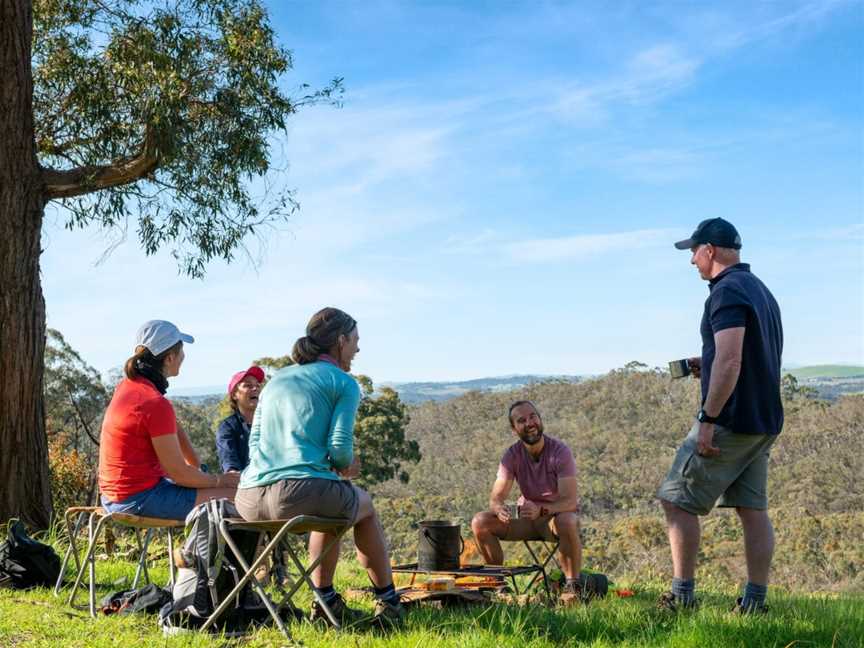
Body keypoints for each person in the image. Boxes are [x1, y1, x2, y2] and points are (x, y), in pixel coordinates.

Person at [235, 307, 404, 627]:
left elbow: (254, 444)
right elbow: (340, 449)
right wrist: (345, 466)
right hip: (299, 494)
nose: (357, 348)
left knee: (330, 505)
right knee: (362, 505)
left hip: (249, 499)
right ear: (340, 341)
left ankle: (326, 604)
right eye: (355, 340)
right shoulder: (343, 382)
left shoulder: (275, 381)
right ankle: (390, 604)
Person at [657, 218, 783, 614]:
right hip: (763, 421)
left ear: (710, 250)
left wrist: (707, 420)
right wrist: (705, 362)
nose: (692, 260)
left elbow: (731, 360)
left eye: (693, 252)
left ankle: (682, 596)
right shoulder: (759, 290)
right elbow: (739, 354)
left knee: (676, 500)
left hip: (730, 420)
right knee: (752, 509)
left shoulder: (725, 292)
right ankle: (755, 603)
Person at [98, 320, 240, 520]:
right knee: (243, 499)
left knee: (227, 496)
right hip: (139, 500)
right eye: (181, 351)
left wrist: (200, 470)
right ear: (170, 358)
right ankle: (199, 552)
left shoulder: (129, 387)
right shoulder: (154, 402)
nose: (184, 356)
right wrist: (218, 480)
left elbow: (174, 429)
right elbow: (179, 474)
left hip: (114, 496)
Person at [471, 400, 597, 604]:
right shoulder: (511, 455)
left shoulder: (559, 452)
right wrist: (498, 508)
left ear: (540, 419)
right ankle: (497, 585)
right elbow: (496, 496)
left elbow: (570, 501)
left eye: (533, 417)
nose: (530, 423)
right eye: (521, 420)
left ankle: (572, 586)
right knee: (480, 522)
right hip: (526, 516)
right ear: (514, 429)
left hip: (555, 518)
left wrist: (543, 509)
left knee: (567, 520)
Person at [216, 366, 265, 472]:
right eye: (248, 385)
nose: (255, 388)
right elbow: (230, 464)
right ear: (234, 395)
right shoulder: (227, 427)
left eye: (258, 385)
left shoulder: (272, 421)